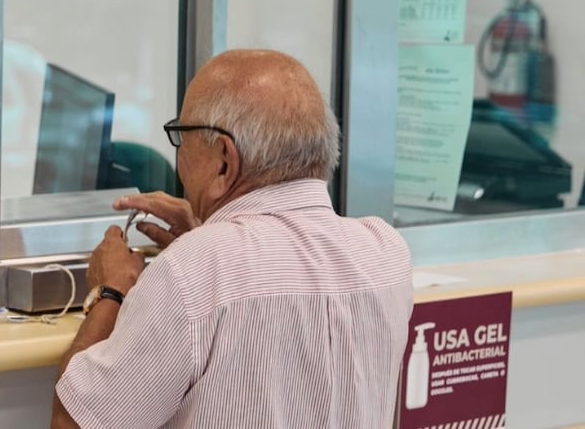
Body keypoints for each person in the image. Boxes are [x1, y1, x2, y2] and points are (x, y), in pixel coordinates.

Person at [51, 50, 413, 428]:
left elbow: (70, 425)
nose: (180, 157)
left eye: (181, 137)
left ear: (224, 159)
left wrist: (110, 292)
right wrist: (206, 234)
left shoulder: (193, 268)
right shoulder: (386, 253)